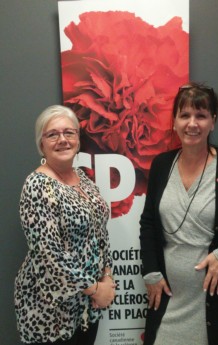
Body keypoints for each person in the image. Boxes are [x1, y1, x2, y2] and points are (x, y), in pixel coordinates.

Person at [139, 82, 218, 345]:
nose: (192, 123)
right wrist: (151, 272)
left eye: (201, 115)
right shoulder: (161, 165)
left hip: (214, 303)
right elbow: (148, 223)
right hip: (168, 299)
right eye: (185, 115)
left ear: (213, 122)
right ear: (174, 122)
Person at [14, 105, 116, 345]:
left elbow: (100, 233)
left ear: (78, 140)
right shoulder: (37, 185)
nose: (62, 139)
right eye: (53, 134)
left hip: (88, 306)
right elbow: (48, 255)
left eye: (69, 133)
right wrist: (95, 289)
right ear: (42, 144)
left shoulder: (82, 178)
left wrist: (107, 277)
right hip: (51, 312)